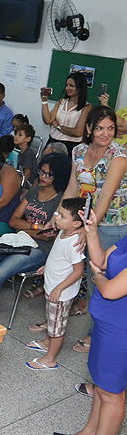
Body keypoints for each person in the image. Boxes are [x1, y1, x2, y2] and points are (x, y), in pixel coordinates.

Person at [51, 106, 127, 347]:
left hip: (110, 225)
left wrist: (88, 229)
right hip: (81, 219)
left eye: (111, 128)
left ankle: (96, 335)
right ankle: (55, 321)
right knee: (68, 267)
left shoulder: (118, 156)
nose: (106, 133)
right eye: (100, 128)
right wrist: (58, 215)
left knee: (100, 278)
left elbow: (105, 197)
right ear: (89, 129)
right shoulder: (79, 151)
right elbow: (72, 187)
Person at [54, 217, 127, 435]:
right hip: (106, 326)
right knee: (101, 384)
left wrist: (98, 277)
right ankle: (90, 432)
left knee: (112, 392)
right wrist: (93, 232)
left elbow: (110, 290)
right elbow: (101, 260)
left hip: (121, 331)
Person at [0, 153, 71, 298]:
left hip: (40, 249)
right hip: (18, 239)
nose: (43, 177)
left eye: (49, 175)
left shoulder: (60, 200)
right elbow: (13, 221)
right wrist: (36, 227)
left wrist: (23, 227)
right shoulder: (33, 192)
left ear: (59, 176)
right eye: (42, 171)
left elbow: (47, 237)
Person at [24, 198, 86, 370]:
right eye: (58, 213)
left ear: (76, 224)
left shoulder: (74, 243)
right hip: (53, 287)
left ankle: (50, 359)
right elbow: (59, 256)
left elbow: (78, 271)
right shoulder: (63, 232)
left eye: (62, 216)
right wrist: (48, 266)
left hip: (61, 292)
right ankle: (46, 343)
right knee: (52, 321)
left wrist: (59, 288)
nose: (57, 217)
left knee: (57, 328)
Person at [41, 72, 92, 155]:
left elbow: (78, 132)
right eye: (66, 85)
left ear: (80, 88)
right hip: (53, 141)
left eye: (71, 86)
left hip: (70, 146)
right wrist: (44, 101)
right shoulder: (61, 102)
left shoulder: (86, 107)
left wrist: (58, 126)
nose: (67, 88)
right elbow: (48, 120)